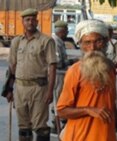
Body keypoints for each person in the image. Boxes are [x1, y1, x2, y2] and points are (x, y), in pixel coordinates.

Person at [56, 19, 117, 141]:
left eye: (97, 41)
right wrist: (88, 110)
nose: (92, 47)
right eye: (87, 43)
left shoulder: (110, 69)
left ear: (105, 42)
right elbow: (62, 111)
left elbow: (111, 104)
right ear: (81, 45)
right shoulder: (75, 71)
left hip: (107, 135)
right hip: (80, 136)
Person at [6, 8, 57, 141]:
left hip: (39, 89)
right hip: (20, 89)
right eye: (27, 20)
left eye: (33, 19)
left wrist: (50, 91)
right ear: (22, 22)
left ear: (37, 21)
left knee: (40, 127)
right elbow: (12, 67)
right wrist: (9, 89)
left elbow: (52, 67)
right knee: (23, 126)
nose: (30, 22)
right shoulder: (17, 42)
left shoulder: (46, 41)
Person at [51, 20, 72, 133]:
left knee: (58, 98)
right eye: (66, 31)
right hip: (58, 74)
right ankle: (57, 124)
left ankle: (57, 122)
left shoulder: (59, 41)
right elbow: (58, 62)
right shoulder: (55, 42)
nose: (67, 33)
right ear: (61, 32)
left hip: (60, 73)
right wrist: (72, 61)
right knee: (58, 98)